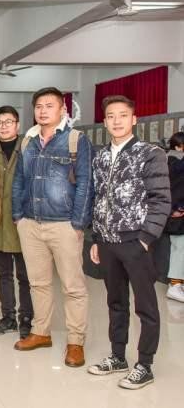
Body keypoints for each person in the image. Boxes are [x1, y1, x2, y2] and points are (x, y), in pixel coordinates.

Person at [87, 95, 170, 389]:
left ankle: (145, 364)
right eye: (111, 116)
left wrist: (146, 238)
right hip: (107, 242)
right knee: (115, 302)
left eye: (123, 115)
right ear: (105, 122)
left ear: (134, 119)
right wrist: (96, 238)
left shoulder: (150, 153)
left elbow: (161, 200)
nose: (117, 121)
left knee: (146, 306)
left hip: (136, 241)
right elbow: (98, 198)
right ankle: (117, 356)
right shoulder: (100, 156)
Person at [12, 87, 94, 368]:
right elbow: (19, 179)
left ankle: (75, 342)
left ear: (62, 109)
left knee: (73, 287)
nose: (43, 110)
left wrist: (78, 223)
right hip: (30, 223)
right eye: (38, 106)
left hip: (63, 225)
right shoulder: (28, 141)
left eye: (49, 105)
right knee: (38, 283)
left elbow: (85, 183)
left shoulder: (75, 139)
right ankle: (41, 332)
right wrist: (18, 216)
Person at [0, 106, 33, 339]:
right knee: (3, 274)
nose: (4, 126)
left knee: (25, 276)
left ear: (17, 125)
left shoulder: (29, 149)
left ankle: (27, 318)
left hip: (23, 222)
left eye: (9, 122)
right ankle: (8, 318)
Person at [165, 131, 184, 302]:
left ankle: (178, 283)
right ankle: (175, 285)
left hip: (175, 211)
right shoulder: (175, 162)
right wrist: (176, 208)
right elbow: (175, 190)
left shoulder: (170, 160)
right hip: (176, 213)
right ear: (178, 147)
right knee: (179, 248)